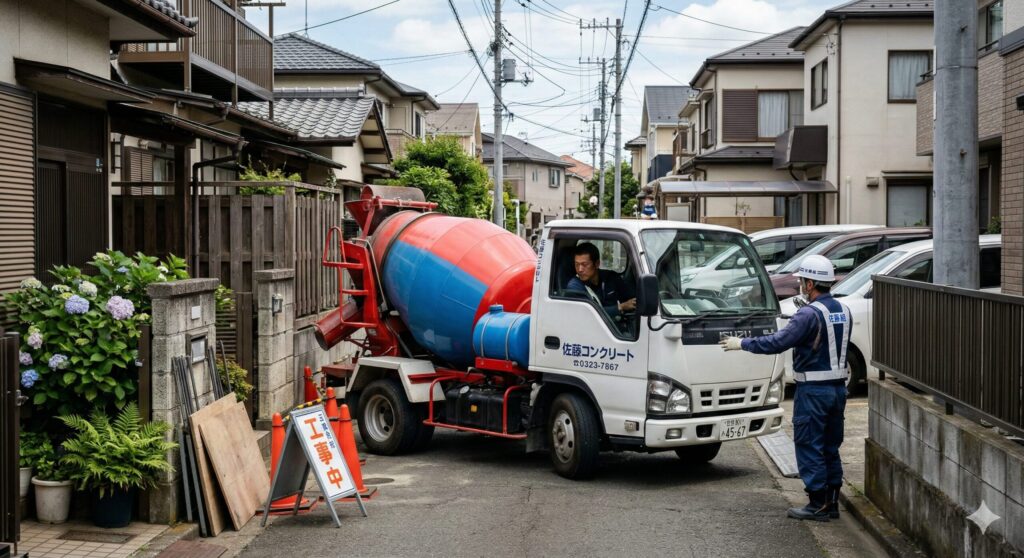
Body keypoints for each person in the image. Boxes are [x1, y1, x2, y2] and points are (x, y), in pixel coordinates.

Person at [719, 255, 851, 522]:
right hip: (838, 391)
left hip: (813, 392)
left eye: (803, 281)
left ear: (811, 282)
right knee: (829, 446)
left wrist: (740, 344)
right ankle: (832, 503)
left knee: (809, 444)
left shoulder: (808, 314)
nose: (802, 285)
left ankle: (816, 504)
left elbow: (777, 342)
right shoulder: (843, 310)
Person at [566, 242, 636, 319]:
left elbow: (630, 298)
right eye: (577, 264)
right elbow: (589, 314)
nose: (580, 269)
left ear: (597, 264)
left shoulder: (610, 277)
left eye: (585, 264)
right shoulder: (574, 286)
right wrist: (621, 307)